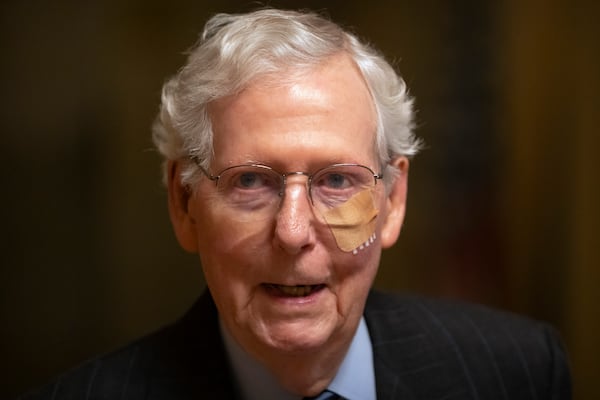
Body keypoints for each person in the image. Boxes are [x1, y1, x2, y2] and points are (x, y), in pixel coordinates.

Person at [21, 8, 571, 400]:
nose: (292, 232)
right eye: (250, 183)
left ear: (394, 200)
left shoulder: (519, 372)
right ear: (184, 202)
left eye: (336, 180)